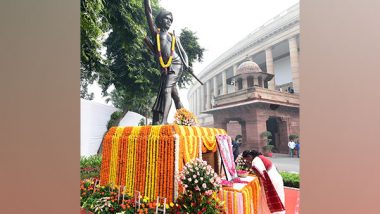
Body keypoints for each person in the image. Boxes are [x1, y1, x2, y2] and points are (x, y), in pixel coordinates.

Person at [144, 0, 189, 125]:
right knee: (175, 95)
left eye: (171, 19)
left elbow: (183, 53)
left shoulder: (174, 37)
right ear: (160, 20)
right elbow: (148, 12)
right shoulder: (156, 33)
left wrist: (187, 63)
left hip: (176, 63)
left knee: (166, 90)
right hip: (165, 67)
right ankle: (186, 120)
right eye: (166, 19)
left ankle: (163, 121)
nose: (169, 21)